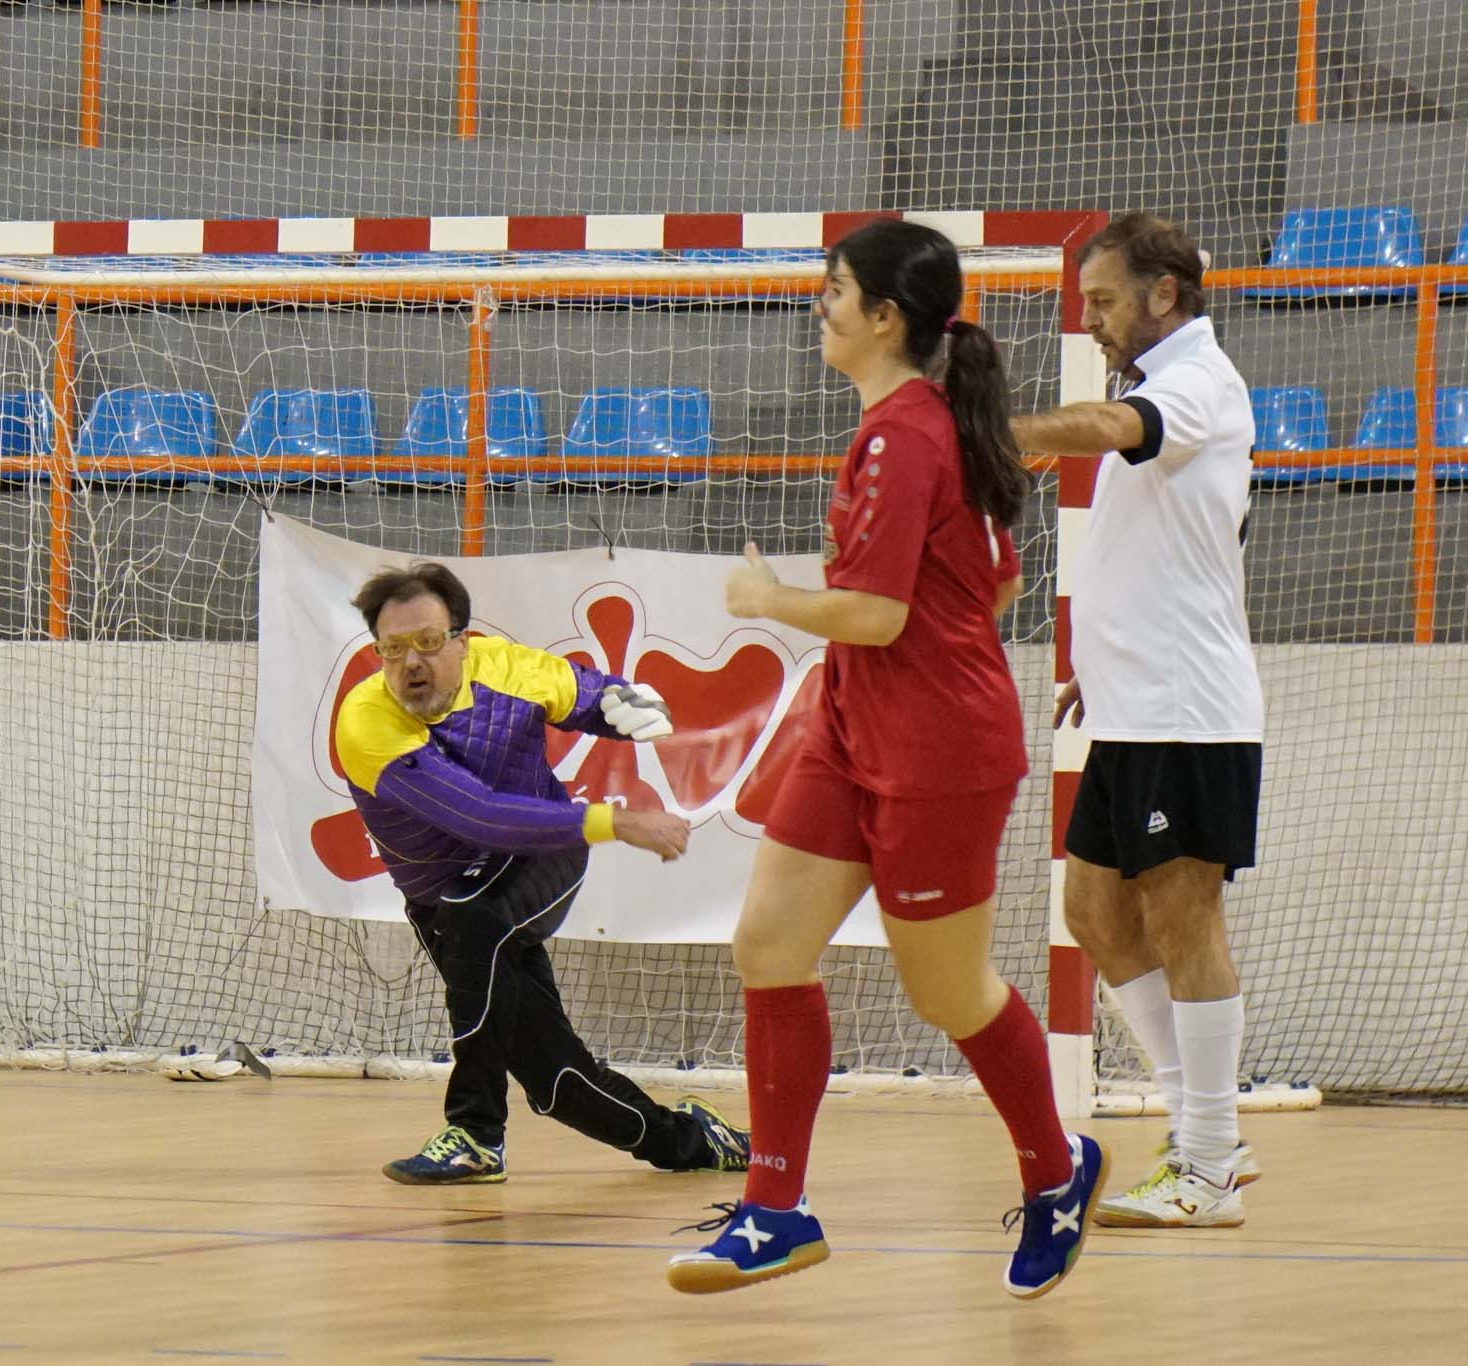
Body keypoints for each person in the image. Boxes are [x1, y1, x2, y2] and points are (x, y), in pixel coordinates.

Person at [667, 219, 1106, 1302]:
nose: (818, 305)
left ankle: (1055, 1171)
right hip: (853, 731)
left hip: (935, 755)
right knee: (767, 942)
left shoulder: (907, 435)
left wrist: (769, 601)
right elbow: (990, 577)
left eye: (833, 291)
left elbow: (871, 610)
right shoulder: (917, 427)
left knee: (946, 991)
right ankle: (775, 1211)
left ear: (884, 316)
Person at [335, 559, 752, 1185]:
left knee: (475, 910)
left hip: (541, 851)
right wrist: (616, 822)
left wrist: (619, 700)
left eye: (426, 642)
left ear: (462, 640)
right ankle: (690, 1141)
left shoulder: (505, 667)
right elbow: (478, 816)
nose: (411, 663)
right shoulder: (366, 724)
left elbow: (584, 693)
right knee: (556, 1079)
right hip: (452, 892)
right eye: (392, 650)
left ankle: (476, 1133)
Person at [1010, 213, 1262, 1229]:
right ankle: (1208, 1130)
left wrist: (1000, 431)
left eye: (1104, 299)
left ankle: (1204, 1161)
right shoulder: (1153, 384)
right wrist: (1096, 664)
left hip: (1188, 714)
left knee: (1178, 917)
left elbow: (1114, 433)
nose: (1092, 319)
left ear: (1164, 294)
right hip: (1129, 704)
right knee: (1092, 916)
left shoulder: (1196, 380)